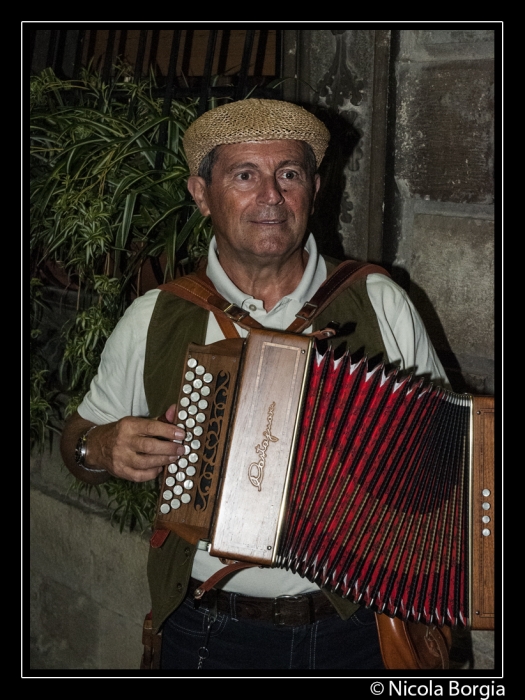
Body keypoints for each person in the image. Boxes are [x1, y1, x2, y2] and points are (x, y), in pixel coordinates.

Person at [60, 98, 449, 671]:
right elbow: (76, 441)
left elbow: (450, 450)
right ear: (201, 193)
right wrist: (100, 446)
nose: (271, 195)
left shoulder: (378, 300)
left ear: (314, 188)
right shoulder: (156, 316)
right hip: (209, 629)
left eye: (288, 174)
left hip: (359, 623)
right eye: (245, 175)